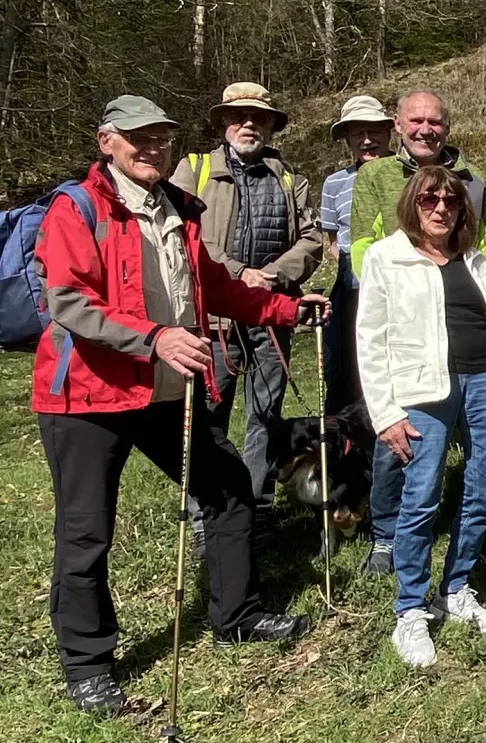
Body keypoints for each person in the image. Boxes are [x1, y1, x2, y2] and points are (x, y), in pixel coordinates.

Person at [35, 96, 323, 714]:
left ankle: (236, 615)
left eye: (162, 138)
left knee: (226, 489)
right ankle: (88, 667)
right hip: (85, 396)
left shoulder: (179, 208)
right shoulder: (77, 207)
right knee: (87, 532)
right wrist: (155, 338)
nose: (153, 149)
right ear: (106, 141)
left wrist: (288, 310)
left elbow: (215, 286)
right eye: (139, 138)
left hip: (164, 392)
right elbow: (69, 301)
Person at [355, 166, 486, 669]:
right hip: (421, 386)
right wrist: (384, 413)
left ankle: (455, 586)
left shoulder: (472, 259)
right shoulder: (387, 257)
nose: (440, 208)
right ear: (413, 203)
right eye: (429, 199)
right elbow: (370, 339)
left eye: (450, 201)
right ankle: (410, 608)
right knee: (422, 491)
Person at [348, 89, 486, 576]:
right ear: (398, 124)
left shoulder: (472, 178)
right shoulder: (374, 176)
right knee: (401, 436)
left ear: (447, 127)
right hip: (404, 322)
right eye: (415, 121)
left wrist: (470, 289)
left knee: (474, 443)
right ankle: (386, 534)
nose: (425, 130)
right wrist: (410, 287)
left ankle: (476, 534)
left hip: (464, 322)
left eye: (434, 122)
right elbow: (361, 246)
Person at [170, 82, 323, 544]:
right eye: (238, 116)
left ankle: (257, 510)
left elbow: (313, 239)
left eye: (258, 117)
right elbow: (183, 236)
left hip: (271, 315)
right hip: (214, 318)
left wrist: (271, 276)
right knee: (209, 418)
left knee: (266, 415)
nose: (248, 124)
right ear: (223, 122)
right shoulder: (192, 171)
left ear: (272, 125)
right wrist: (238, 274)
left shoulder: (289, 177)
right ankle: (209, 515)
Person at [319, 94, 394, 413]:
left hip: (400, 284)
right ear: (347, 139)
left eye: (374, 131)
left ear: (389, 132)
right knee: (345, 365)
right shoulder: (335, 183)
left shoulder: (411, 175)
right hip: (352, 285)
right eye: (356, 133)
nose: (367, 140)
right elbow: (334, 241)